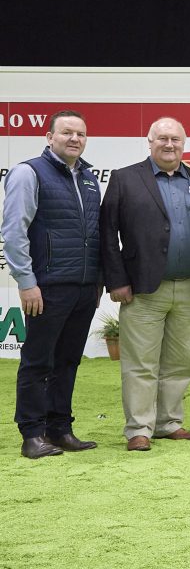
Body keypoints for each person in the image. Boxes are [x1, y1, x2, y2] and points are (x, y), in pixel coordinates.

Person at [99, 117, 190, 452]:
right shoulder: (125, 179)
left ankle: (168, 423)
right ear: (150, 141)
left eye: (175, 139)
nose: (169, 145)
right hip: (142, 289)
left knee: (179, 362)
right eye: (162, 139)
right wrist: (117, 280)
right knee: (140, 363)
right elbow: (107, 234)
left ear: (184, 144)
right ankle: (138, 429)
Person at [2, 110, 101, 459]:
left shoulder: (89, 178)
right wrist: (26, 282)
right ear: (49, 137)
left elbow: (94, 234)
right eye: (67, 132)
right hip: (46, 287)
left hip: (84, 287)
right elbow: (14, 232)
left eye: (81, 133)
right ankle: (32, 434)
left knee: (68, 361)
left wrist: (97, 281)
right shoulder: (28, 173)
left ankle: (60, 429)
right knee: (37, 362)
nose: (75, 138)